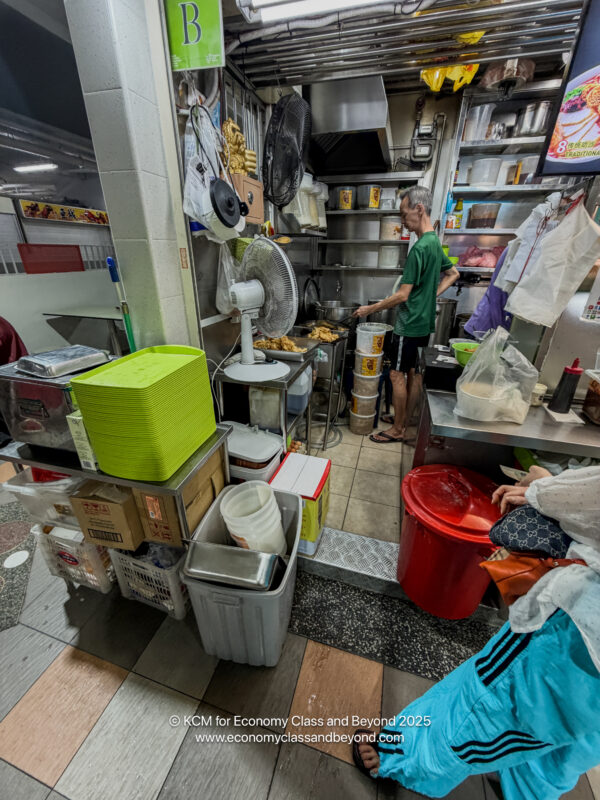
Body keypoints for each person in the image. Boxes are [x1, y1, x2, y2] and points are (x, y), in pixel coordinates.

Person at [353, 465, 600, 800]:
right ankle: (525, 788)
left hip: (579, 634)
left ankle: (399, 755)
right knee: (573, 740)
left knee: (483, 705)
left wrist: (544, 488)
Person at [353, 186, 459, 443]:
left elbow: (402, 295)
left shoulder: (420, 248)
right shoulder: (435, 243)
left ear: (419, 209)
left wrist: (370, 309)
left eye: (404, 213)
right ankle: (404, 420)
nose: (402, 220)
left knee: (396, 375)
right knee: (414, 374)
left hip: (408, 324)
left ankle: (398, 429)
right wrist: (432, 294)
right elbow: (454, 273)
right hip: (424, 323)